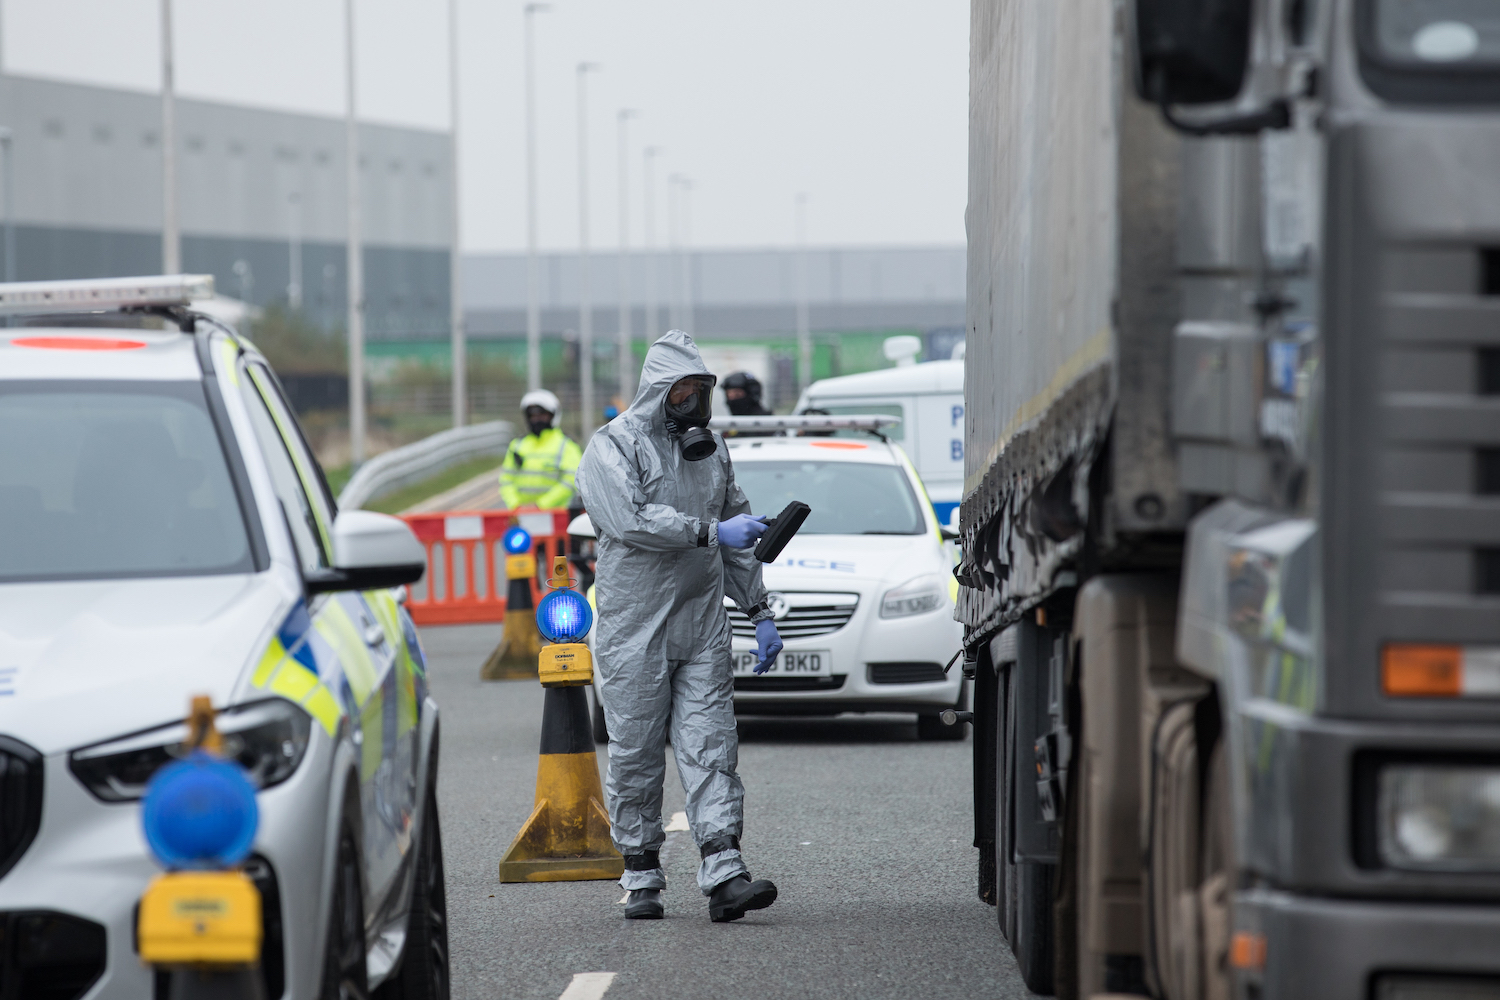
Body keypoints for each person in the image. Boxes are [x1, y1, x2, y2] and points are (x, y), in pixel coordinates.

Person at [576, 330, 784, 923]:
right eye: (683, 391)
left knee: (710, 746)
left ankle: (725, 876)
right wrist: (710, 533)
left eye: (700, 391)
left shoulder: (712, 451)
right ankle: (640, 874)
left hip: (699, 624)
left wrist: (759, 611)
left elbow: (737, 529)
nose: (693, 403)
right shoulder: (612, 447)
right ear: (659, 392)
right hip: (632, 630)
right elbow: (632, 520)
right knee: (637, 754)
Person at [499, 389, 583, 510]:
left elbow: (570, 481)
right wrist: (515, 506)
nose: (536, 419)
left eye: (541, 415)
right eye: (532, 416)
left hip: (558, 519)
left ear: (552, 416)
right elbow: (506, 480)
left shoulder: (567, 446)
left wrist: (540, 506)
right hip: (521, 518)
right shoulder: (516, 446)